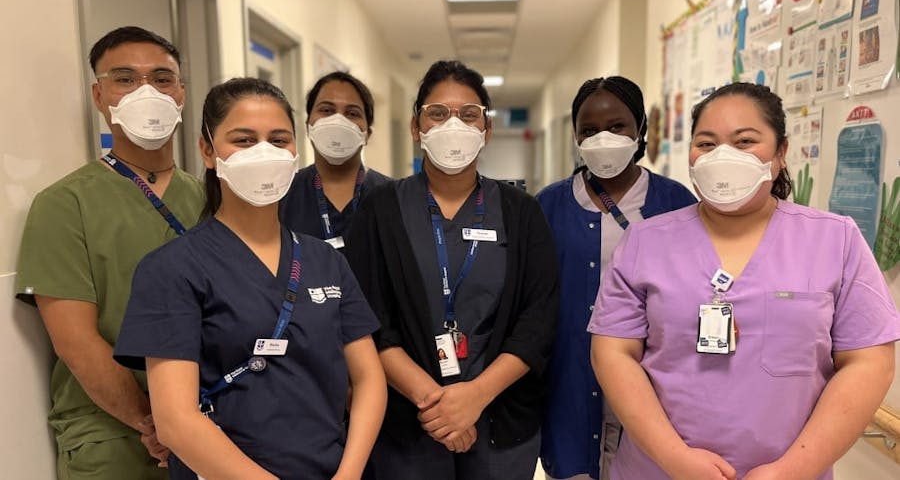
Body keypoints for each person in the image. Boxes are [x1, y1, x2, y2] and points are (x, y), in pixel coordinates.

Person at [589, 82, 900, 480]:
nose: (722, 156)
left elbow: (868, 363)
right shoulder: (645, 243)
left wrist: (794, 469)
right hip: (657, 469)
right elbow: (613, 355)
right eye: (706, 143)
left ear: (781, 153)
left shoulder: (835, 240)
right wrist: (673, 458)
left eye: (745, 141)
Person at [112, 77, 387, 480]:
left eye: (278, 140)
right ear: (208, 150)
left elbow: (368, 379)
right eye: (243, 140)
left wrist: (348, 474)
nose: (264, 152)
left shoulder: (324, 261)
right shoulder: (172, 268)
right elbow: (174, 419)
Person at [344, 59, 559, 480]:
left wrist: (475, 397)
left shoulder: (521, 212)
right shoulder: (380, 210)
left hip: (501, 419)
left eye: (468, 114)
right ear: (415, 127)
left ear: (487, 130)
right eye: (438, 113)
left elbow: (539, 318)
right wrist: (437, 405)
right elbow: (366, 318)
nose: (452, 124)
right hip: (409, 423)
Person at [14, 26, 203, 479]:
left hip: (208, 427)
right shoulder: (64, 204)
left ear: (180, 92)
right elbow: (76, 343)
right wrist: (153, 423)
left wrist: (190, 426)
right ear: (100, 96)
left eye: (161, 78)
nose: (146, 91)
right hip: (113, 435)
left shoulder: (210, 199)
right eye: (125, 78)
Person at [536, 77, 696, 480]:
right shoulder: (548, 205)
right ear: (575, 135)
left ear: (640, 128)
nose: (603, 138)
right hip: (568, 377)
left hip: (653, 378)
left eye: (617, 126)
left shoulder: (676, 202)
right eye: (589, 130)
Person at [281, 71, 392, 251]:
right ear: (309, 125)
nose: (338, 120)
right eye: (326, 110)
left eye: (352, 113)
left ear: (367, 134)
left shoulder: (392, 198)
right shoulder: (283, 195)